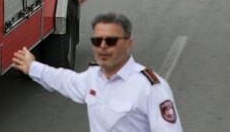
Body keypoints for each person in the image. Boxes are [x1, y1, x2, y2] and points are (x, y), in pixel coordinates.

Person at [12, 12, 183, 132]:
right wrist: (33, 67)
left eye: (111, 40)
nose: (103, 46)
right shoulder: (94, 77)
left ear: (128, 44)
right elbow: (66, 80)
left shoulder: (150, 87)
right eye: (97, 40)